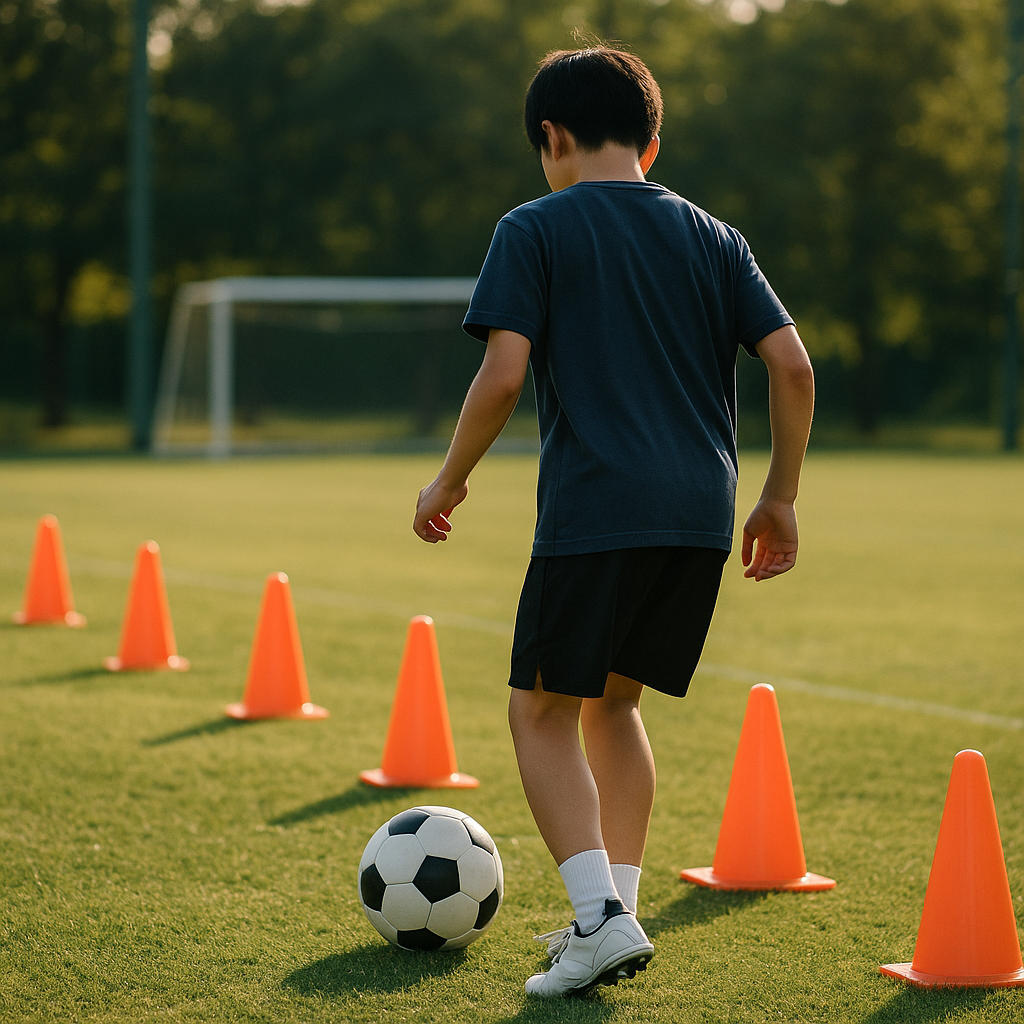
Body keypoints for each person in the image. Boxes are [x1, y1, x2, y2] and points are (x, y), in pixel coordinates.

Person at [413, 45, 814, 998]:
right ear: (653, 141)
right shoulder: (717, 236)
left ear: (550, 137)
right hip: (700, 515)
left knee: (539, 708)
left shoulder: (534, 226)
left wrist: (448, 480)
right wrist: (781, 494)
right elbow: (792, 366)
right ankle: (612, 912)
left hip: (598, 509)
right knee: (615, 705)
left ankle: (597, 916)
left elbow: (503, 374)